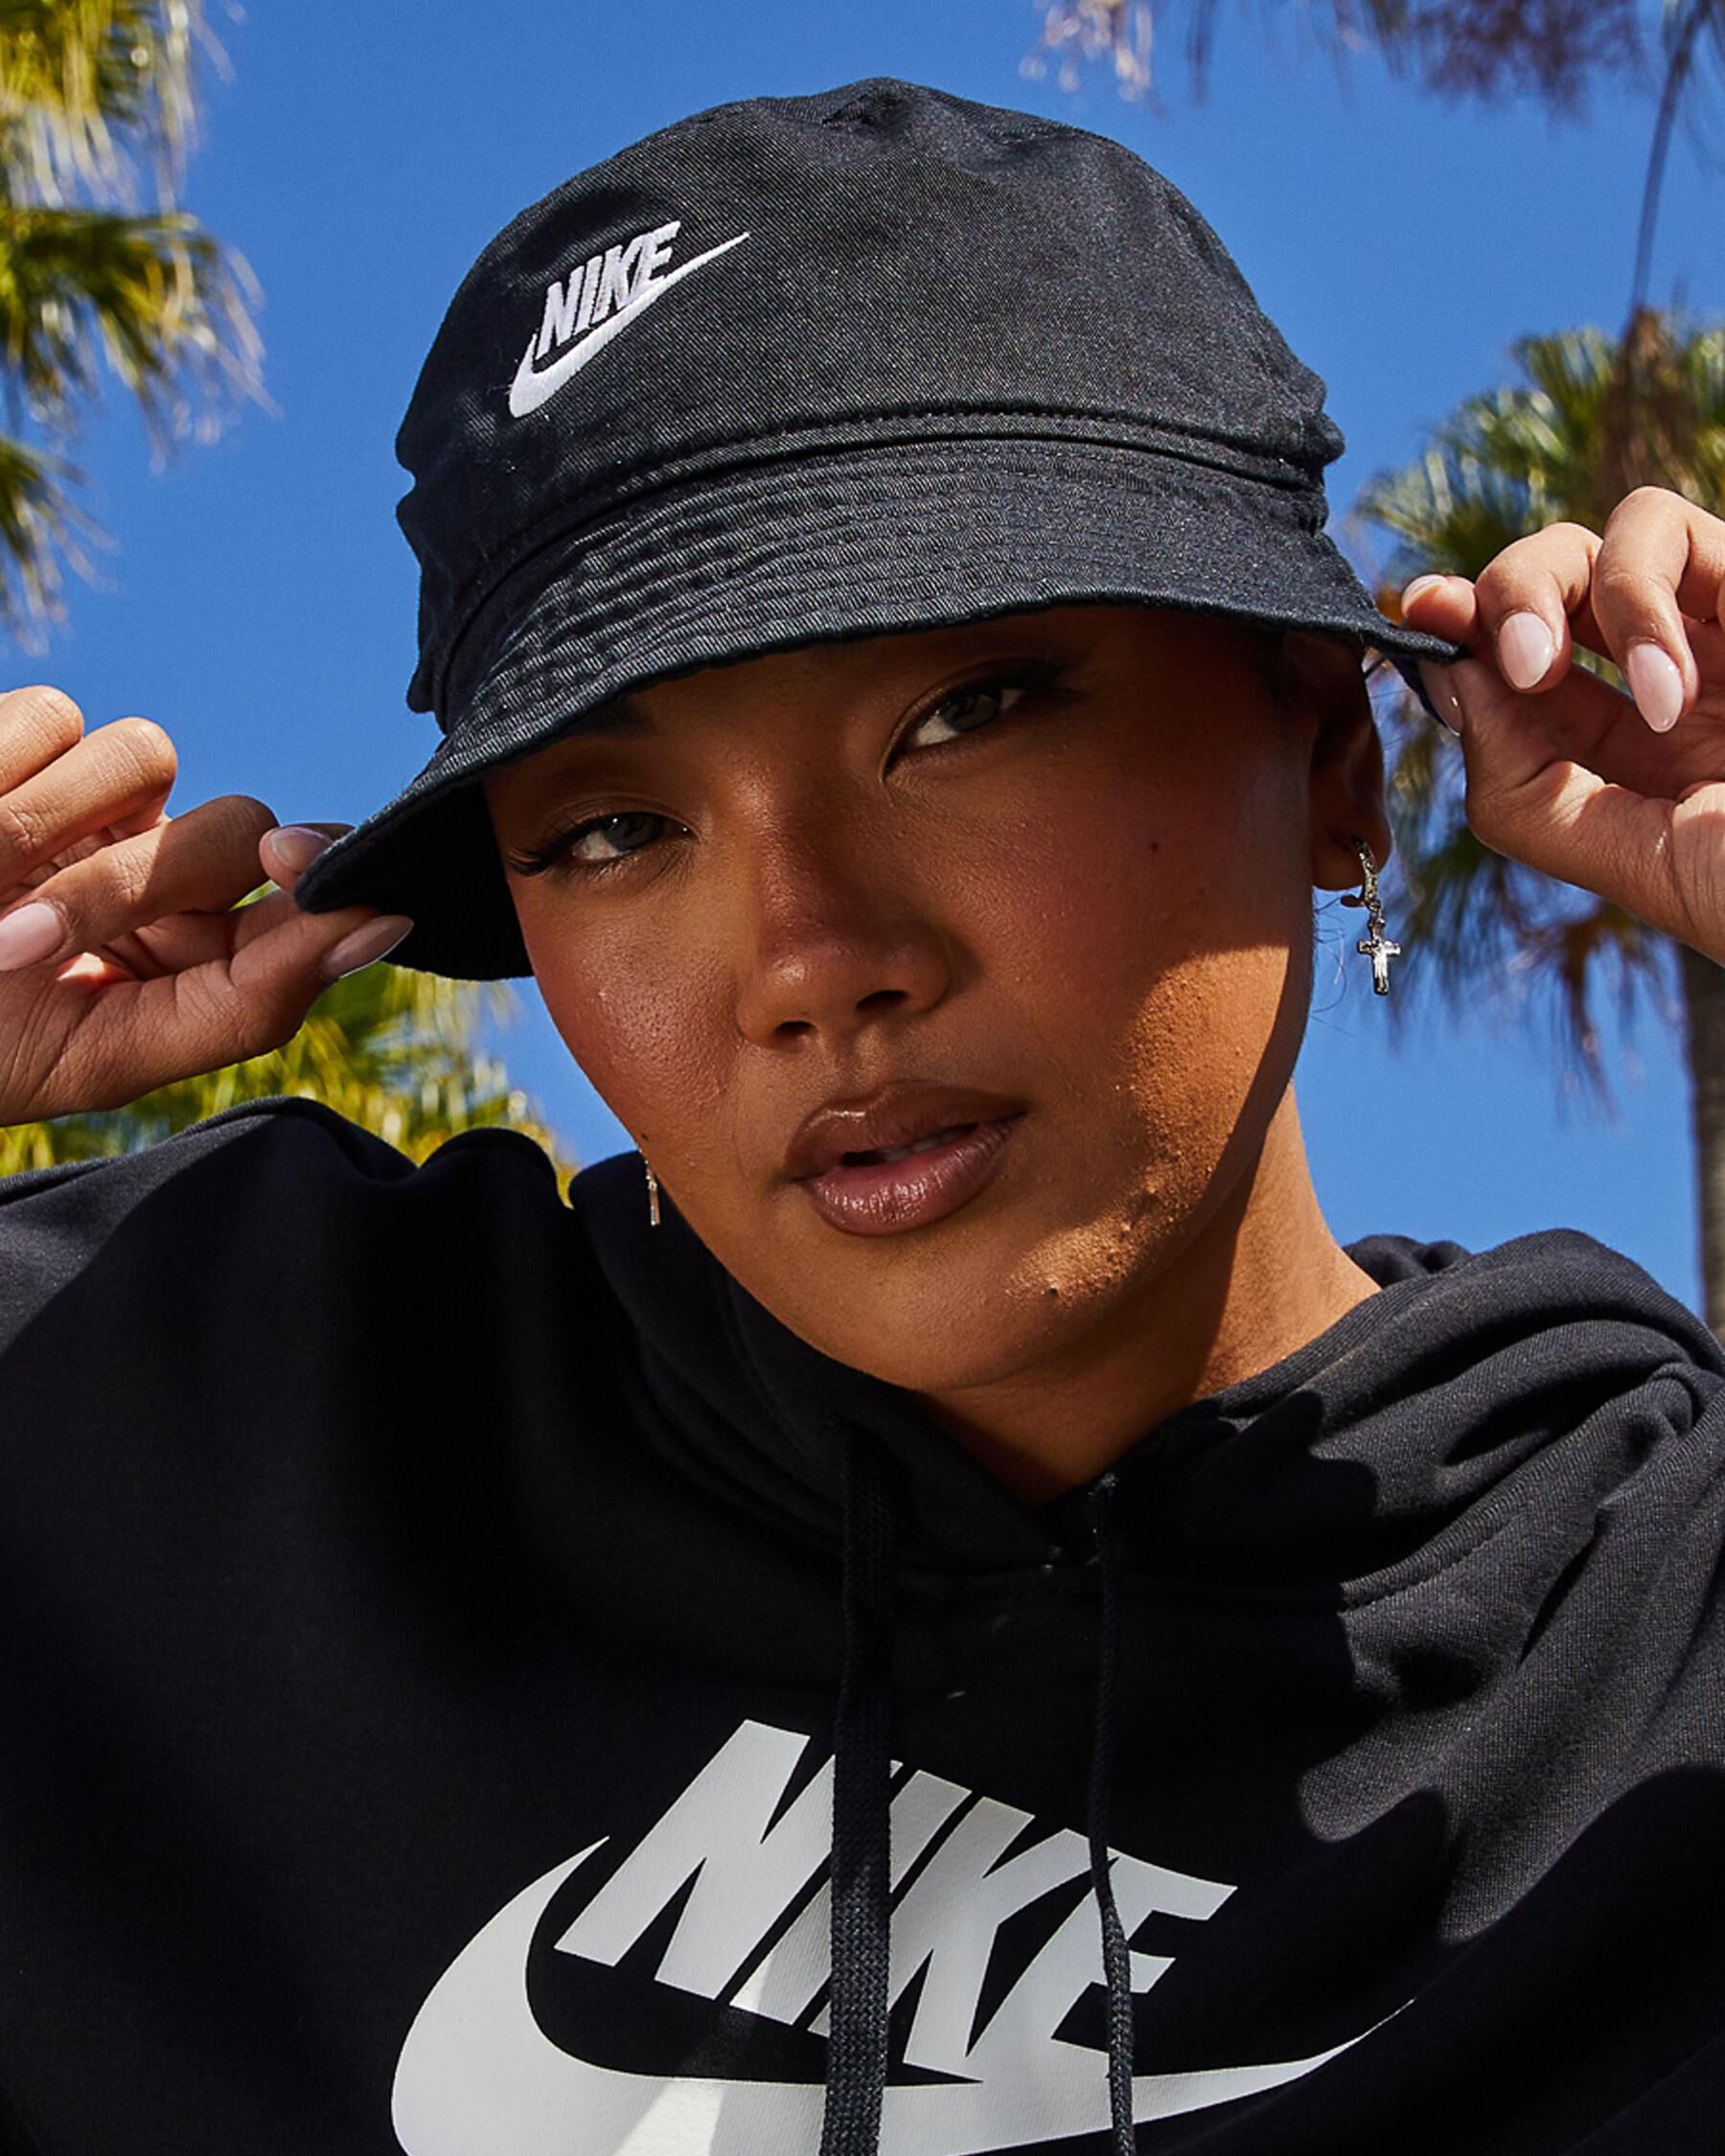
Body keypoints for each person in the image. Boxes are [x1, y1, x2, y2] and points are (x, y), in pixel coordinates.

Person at [0, 74, 1720, 2156]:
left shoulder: (1665, 1632)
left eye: (963, 713)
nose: (809, 959)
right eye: (617, 826)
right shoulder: (215, 1413)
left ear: (1337, 760)